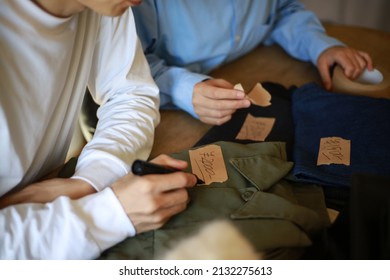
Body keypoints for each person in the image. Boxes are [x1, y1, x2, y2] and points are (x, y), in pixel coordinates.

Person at [0, 0, 197, 259]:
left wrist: (89, 181)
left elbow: (131, 93)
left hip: (52, 189)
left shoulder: (104, 7)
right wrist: (109, 215)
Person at [129, 0, 373, 125]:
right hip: (168, 111)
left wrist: (320, 45)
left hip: (261, 68)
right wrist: (183, 89)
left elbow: (281, 12)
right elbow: (129, 66)